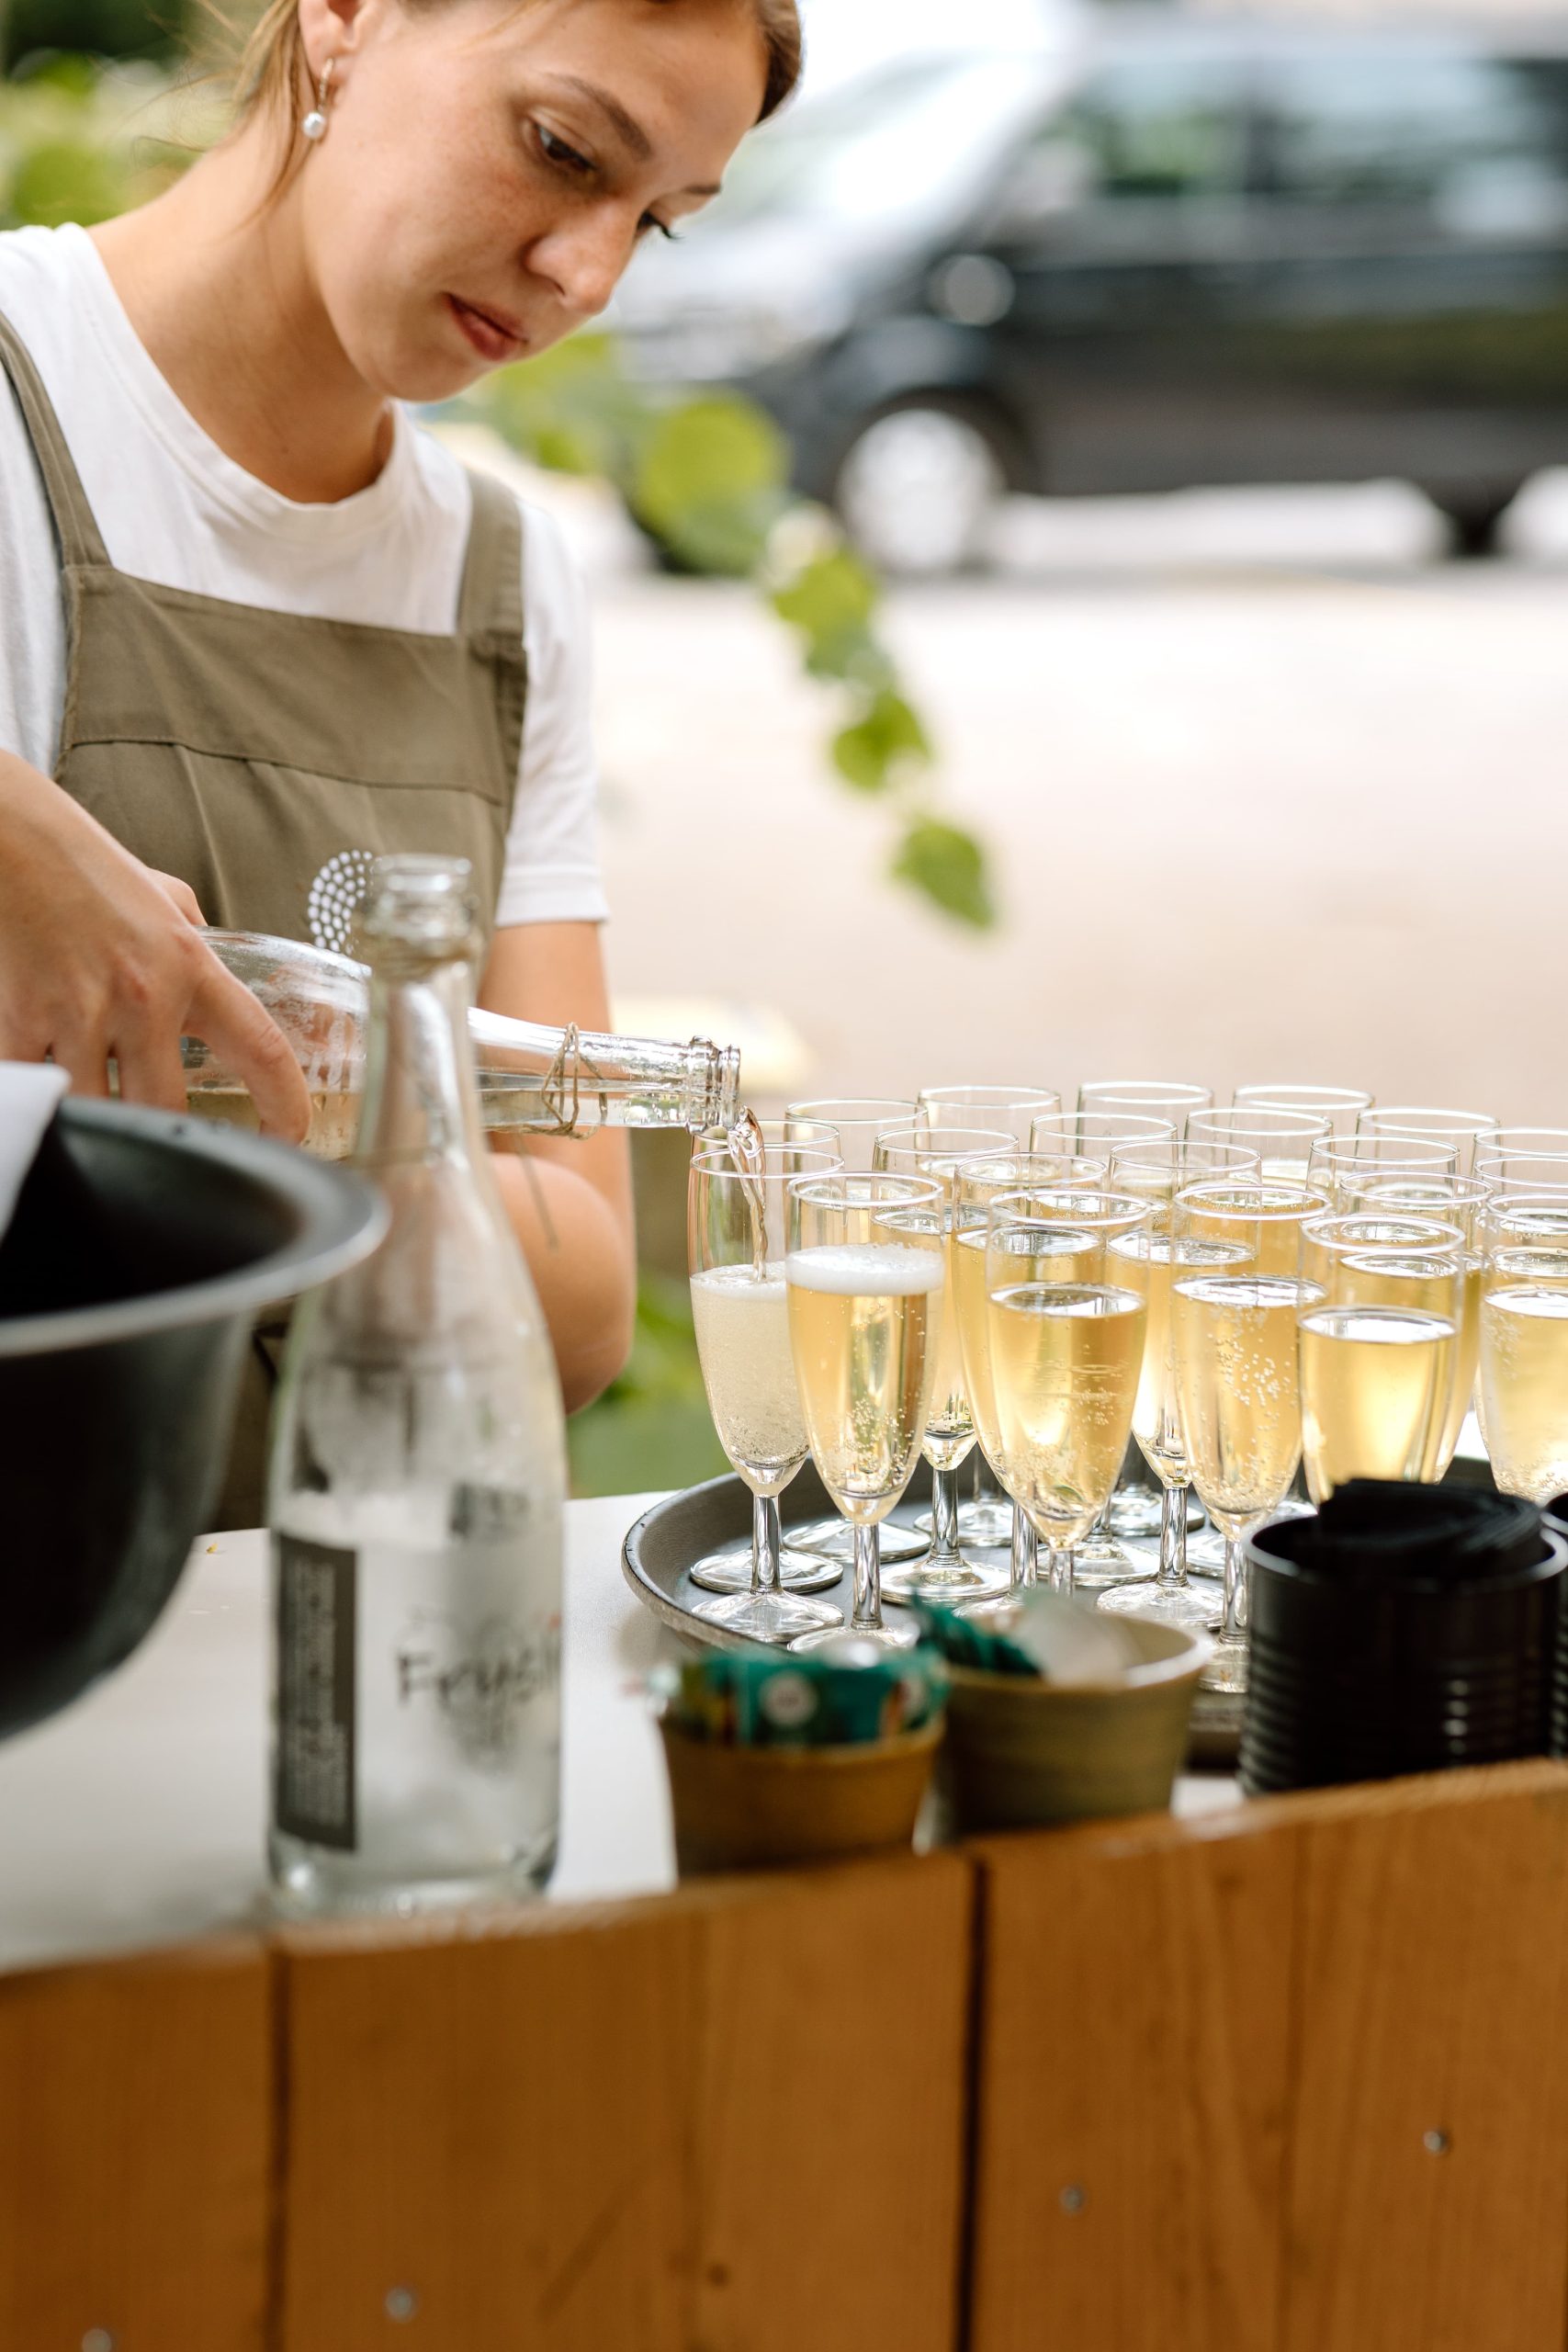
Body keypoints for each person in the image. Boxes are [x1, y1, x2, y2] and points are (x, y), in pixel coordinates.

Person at [0, 0, 802, 1503]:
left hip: (360, 1627)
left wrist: (274, 1096)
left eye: (659, 222)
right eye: (563, 149)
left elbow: (571, 1308)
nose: (590, 274)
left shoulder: (502, 584)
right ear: (347, 18)